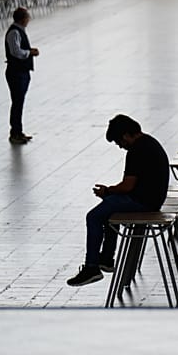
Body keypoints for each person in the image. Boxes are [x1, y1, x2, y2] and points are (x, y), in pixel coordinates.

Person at [67, 114, 170, 287]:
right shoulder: (149, 142)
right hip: (153, 198)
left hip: (143, 202)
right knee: (108, 209)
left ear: (125, 135)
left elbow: (127, 186)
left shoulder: (137, 150)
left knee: (93, 217)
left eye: (118, 142)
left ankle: (92, 267)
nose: (120, 146)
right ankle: (106, 258)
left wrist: (107, 191)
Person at [5, 7, 39, 144]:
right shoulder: (14, 32)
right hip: (16, 72)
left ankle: (18, 130)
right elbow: (16, 52)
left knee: (19, 102)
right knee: (17, 103)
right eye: (27, 17)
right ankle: (15, 132)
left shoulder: (19, 31)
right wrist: (29, 53)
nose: (29, 20)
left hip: (22, 71)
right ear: (23, 18)